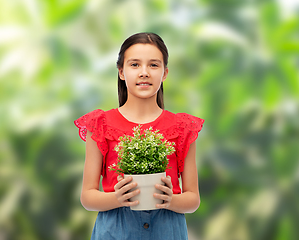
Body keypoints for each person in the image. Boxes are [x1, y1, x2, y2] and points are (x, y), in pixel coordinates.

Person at [74, 32, 204, 240]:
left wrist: (171, 200)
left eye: (153, 65)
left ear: (165, 73)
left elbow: (193, 199)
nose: (144, 73)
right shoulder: (100, 125)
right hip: (115, 229)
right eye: (135, 65)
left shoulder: (182, 128)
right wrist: (117, 198)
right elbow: (87, 197)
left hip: (167, 229)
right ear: (121, 72)